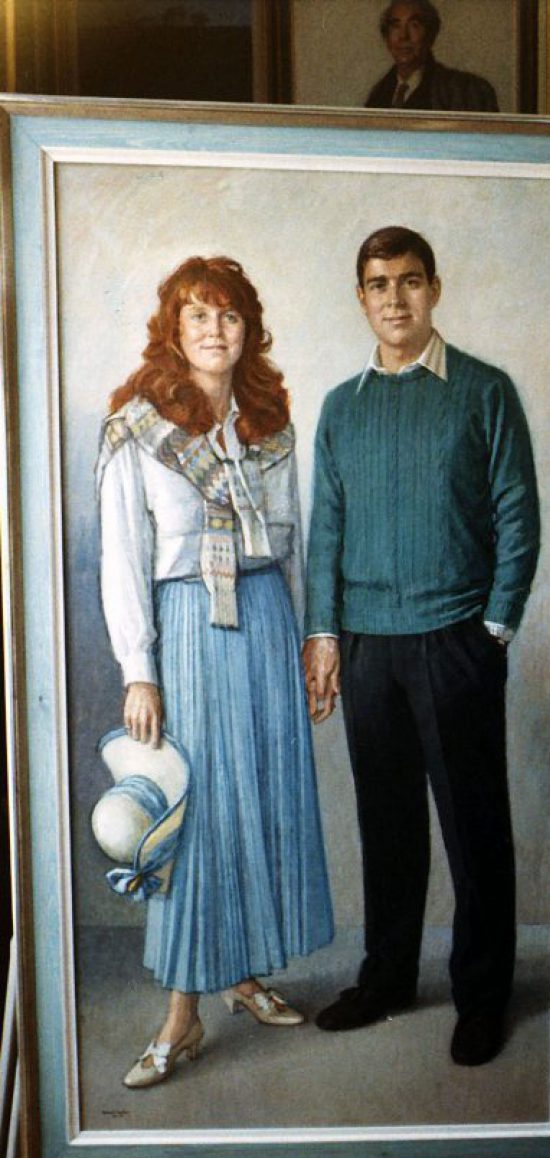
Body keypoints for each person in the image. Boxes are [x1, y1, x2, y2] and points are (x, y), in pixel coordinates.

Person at [303, 225, 539, 1068]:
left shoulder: (482, 392)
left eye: (409, 281)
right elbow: (326, 528)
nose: (394, 298)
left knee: (474, 828)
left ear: (434, 289)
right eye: (377, 284)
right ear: (360, 298)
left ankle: (481, 995)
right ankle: (388, 977)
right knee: (387, 825)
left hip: (454, 642)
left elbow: (517, 514)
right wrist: (324, 635)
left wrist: (494, 626)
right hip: (369, 647)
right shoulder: (342, 406)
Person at [97, 255, 334, 1090]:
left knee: (258, 800)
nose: (213, 330)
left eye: (228, 315)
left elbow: (295, 539)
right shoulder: (138, 424)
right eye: (197, 316)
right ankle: (180, 1015)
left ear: (249, 329)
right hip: (190, 628)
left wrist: (312, 639)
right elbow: (123, 557)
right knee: (197, 817)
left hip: (267, 620)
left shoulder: (269, 422)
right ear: (174, 327)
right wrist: (140, 669)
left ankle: (240, 977)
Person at [364, 0, 499, 113]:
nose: (403, 36)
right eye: (396, 26)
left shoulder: (467, 91)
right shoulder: (378, 94)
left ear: (430, 35)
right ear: (386, 38)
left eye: (414, 25)